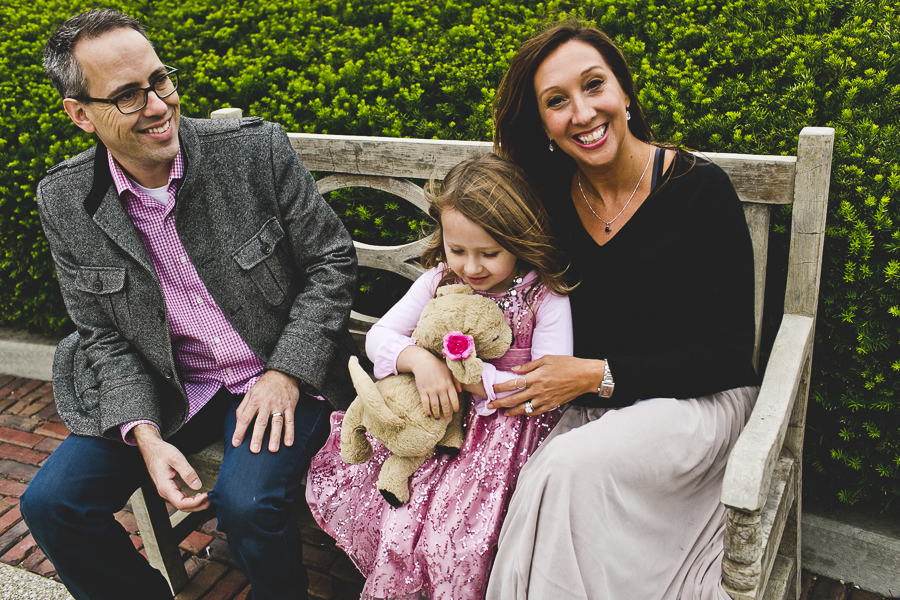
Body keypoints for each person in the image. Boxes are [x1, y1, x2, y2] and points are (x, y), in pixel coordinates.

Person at [19, 9, 358, 600]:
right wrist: (144, 434)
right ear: (81, 115)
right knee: (50, 504)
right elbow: (101, 333)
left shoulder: (251, 152)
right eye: (127, 95)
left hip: (276, 372)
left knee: (248, 504)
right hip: (169, 386)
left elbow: (331, 262)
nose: (157, 105)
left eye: (160, 80)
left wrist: (286, 373)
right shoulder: (66, 199)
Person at [484, 22, 761, 600]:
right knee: (537, 482)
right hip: (597, 411)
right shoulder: (549, 197)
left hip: (696, 407)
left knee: (565, 471)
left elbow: (730, 357)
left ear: (625, 93)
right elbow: (469, 276)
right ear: (543, 125)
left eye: (594, 86)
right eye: (557, 102)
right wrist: (421, 352)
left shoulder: (700, 191)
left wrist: (599, 375)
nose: (583, 113)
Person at [305, 154, 573, 600]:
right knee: (402, 523)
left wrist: (473, 380)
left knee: (462, 538)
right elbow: (380, 337)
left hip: (508, 436)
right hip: (432, 423)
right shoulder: (437, 281)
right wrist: (421, 361)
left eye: (490, 253)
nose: (471, 267)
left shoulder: (545, 298)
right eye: (458, 249)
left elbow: (546, 385)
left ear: (520, 240)